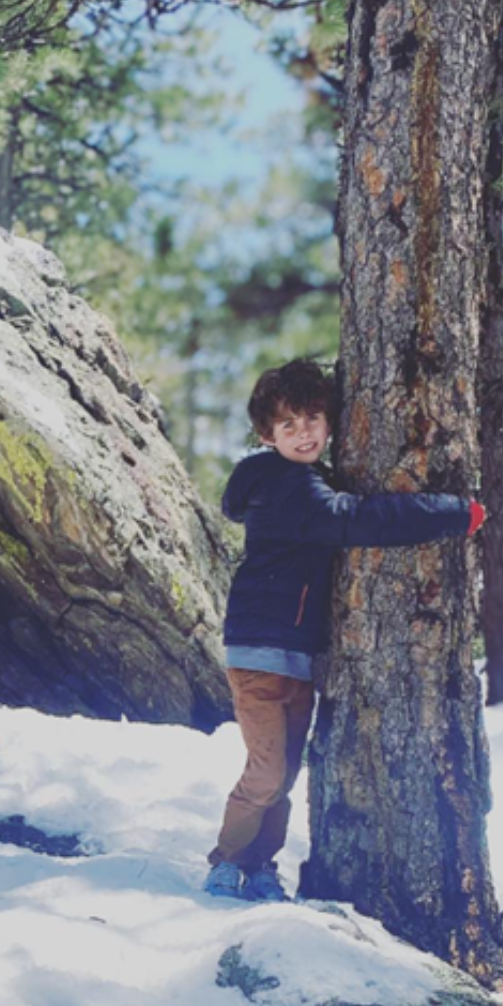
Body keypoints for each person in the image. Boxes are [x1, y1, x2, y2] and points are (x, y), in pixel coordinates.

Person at [206, 358, 485, 903]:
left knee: (283, 773)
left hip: (295, 656)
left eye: (312, 418)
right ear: (268, 435)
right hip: (260, 654)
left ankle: (260, 865)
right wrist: (454, 513)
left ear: (330, 421)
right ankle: (225, 861)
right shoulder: (289, 488)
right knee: (266, 772)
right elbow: (362, 519)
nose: (304, 432)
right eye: (288, 425)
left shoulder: (306, 480)